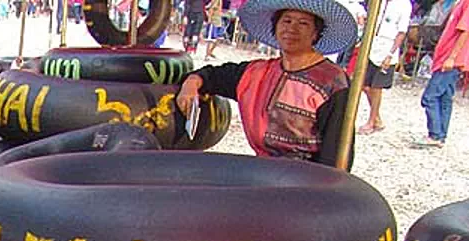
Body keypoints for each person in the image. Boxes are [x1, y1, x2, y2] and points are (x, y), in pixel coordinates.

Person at [176, 0, 358, 166]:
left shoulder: (332, 82)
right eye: (286, 21)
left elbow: (336, 153)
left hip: (308, 178)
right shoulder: (257, 73)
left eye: (303, 23)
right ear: (275, 27)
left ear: (316, 33)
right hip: (264, 171)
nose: (292, 29)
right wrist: (192, 82)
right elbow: (214, 76)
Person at [415, 0, 469, 147]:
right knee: (445, 97)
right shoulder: (459, 3)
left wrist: (452, 57)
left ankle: (435, 134)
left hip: (450, 59)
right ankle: (440, 135)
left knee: (430, 97)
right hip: (447, 57)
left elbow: (465, 31)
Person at [356, 0, 409, 133]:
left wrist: (390, 54)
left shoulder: (404, 4)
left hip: (387, 47)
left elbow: (401, 32)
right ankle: (377, 118)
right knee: (364, 85)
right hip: (372, 45)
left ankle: (371, 121)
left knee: (377, 87)